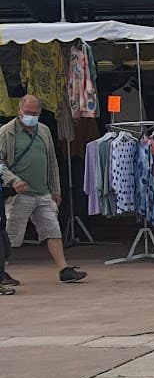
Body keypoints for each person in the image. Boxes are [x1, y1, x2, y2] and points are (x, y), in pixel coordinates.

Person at [0, 95, 87, 284]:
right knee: (11, 236)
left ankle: (64, 269)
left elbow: (52, 162)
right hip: (19, 194)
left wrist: (56, 189)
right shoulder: (7, 132)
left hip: (43, 192)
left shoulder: (44, 131)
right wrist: (12, 180)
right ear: (19, 111)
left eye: (34, 113)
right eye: (27, 113)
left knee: (52, 230)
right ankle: (2, 272)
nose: (31, 116)